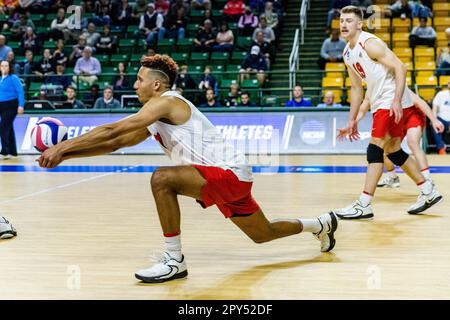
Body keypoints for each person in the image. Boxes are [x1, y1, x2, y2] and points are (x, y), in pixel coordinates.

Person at [36, 54, 338, 283]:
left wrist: (62, 146)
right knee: (263, 233)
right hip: (230, 177)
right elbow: (115, 144)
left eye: (139, 80)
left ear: (156, 84)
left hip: (227, 173)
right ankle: (321, 223)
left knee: (162, 179)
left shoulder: (167, 102)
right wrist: (67, 155)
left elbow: (115, 129)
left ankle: (174, 259)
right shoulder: (156, 116)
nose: (134, 84)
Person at [333, 6, 442, 219]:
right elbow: (356, 89)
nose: (343, 24)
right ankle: (428, 190)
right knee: (392, 150)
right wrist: (352, 120)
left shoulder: (370, 43)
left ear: (359, 24)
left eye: (348, 20)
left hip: (390, 100)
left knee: (375, 149)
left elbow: (400, 67)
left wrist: (396, 100)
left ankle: (364, 203)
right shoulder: (347, 52)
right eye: (341, 21)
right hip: (379, 102)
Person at [349, 90, 444, 188]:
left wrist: (434, 120)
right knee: (385, 150)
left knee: (413, 142)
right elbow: (362, 110)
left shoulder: (393, 84)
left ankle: (427, 179)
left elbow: (419, 102)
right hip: (396, 117)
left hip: (412, 114)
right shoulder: (371, 90)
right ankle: (392, 177)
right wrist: (353, 122)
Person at [0, 60, 24, 160]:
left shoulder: (13, 78)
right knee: (8, 128)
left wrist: (21, 105)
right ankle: (12, 151)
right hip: (1, 105)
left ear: (9, 68)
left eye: (6, 66)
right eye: (2, 66)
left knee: (3, 127)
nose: (4, 68)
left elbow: (20, 92)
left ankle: (4, 151)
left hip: (11, 105)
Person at [431, 79, 450, 155]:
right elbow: (434, 109)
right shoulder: (441, 94)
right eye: (449, 82)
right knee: (434, 125)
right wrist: (434, 121)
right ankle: (441, 148)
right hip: (441, 119)